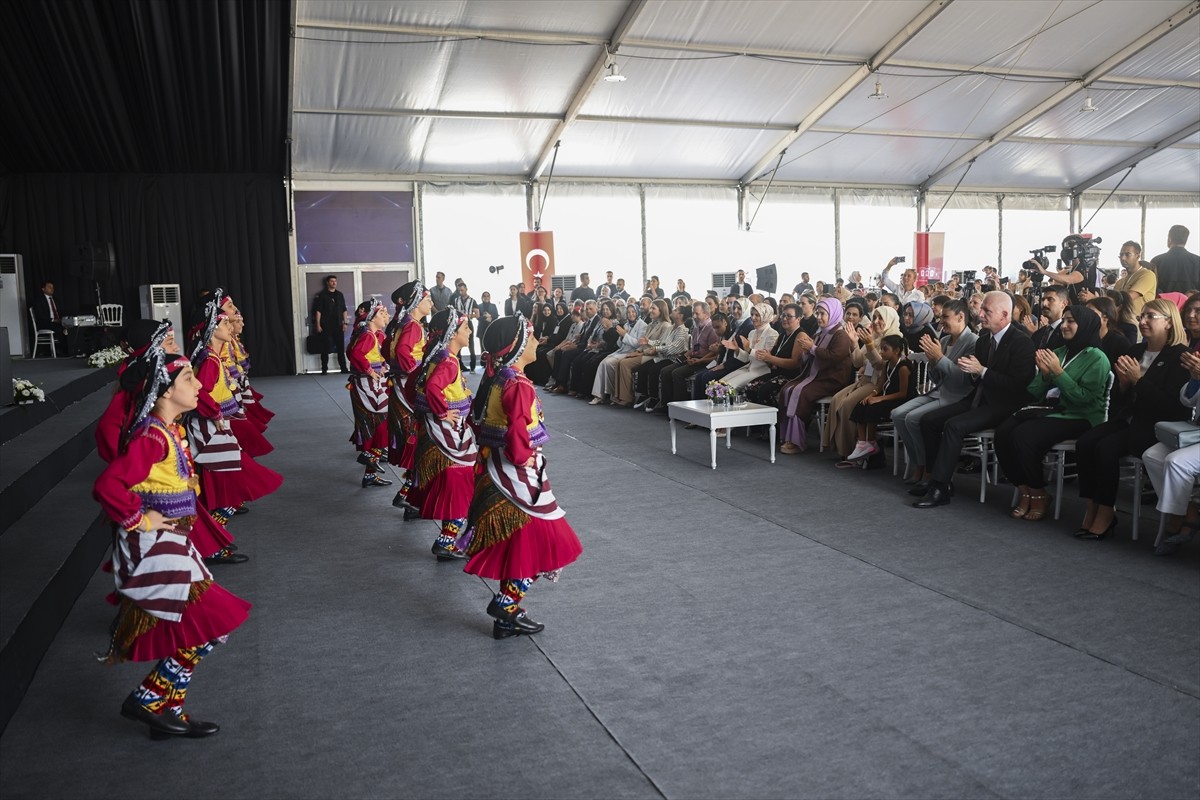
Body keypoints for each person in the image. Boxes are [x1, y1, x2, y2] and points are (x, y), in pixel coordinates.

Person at [92, 347, 251, 739]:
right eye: (188, 379)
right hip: (154, 548)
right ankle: (149, 698)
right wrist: (140, 517)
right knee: (211, 627)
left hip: (172, 543)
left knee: (200, 630)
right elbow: (108, 485)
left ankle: (169, 709)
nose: (199, 384)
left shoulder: (167, 432)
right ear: (163, 391)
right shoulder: (153, 439)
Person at [460, 316, 583, 639]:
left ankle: (506, 617)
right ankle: (507, 603)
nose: (535, 341)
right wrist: (526, 457)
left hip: (498, 471)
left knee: (519, 544)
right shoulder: (518, 385)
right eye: (529, 337)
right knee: (548, 539)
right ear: (515, 347)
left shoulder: (499, 379)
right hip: (518, 477)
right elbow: (517, 439)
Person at [1073, 299, 1190, 539]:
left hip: (1156, 426)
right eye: (1141, 316)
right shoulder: (1135, 351)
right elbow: (1120, 400)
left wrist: (1138, 381)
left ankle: (1106, 512)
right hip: (1128, 419)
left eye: (1150, 317)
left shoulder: (1179, 356)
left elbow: (1174, 407)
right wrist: (1124, 386)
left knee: (1105, 449)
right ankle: (1091, 506)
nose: (1143, 321)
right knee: (1084, 442)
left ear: (1168, 322)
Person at [913, 292, 1036, 509]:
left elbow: (1018, 385)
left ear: (1005, 315)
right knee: (928, 421)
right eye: (981, 310)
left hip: (1004, 404)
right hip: (979, 397)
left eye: (987, 311)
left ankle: (940, 487)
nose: (980, 315)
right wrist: (968, 370)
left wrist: (982, 371)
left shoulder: (1022, 342)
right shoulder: (984, 341)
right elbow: (973, 379)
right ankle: (935, 478)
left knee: (953, 426)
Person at [995, 306, 1111, 521]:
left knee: (1024, 436)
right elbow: (1034, 392)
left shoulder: (1097, 357)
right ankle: (1025, 490)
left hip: (1080, 416)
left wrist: (1058, 373)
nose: (1065, 326)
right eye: (1064, 320)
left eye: (1071, 321)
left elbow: (1086, 400)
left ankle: (1039, 492)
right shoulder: (1059, 352)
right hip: (1050, 410)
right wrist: (1046, 375)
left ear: (1085, 326)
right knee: (1003, 433)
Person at [187, 291, 283, 522]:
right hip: (211, 426)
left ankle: (217, 528)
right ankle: (217, 529)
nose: (230, 327)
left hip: (215, 422)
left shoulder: (212, 357)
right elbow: (202, 392)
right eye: (224, 323)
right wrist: (215, 413)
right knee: (232, 475)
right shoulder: (210, 359)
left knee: (232, 474)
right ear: (211, 329)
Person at [410, 308, 477, 561]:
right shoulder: (448, 361)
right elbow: (432, 387)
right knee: (461, 484)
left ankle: (448, 539)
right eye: (465, 328)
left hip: (446, 431)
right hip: (448, 434)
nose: (469, 332)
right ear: (452, 333)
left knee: (460, 485)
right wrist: (442, 413)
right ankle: (446, 540)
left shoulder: (441, 357)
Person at [893, 299, 978, 490]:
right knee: (897, 415)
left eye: (945, 317)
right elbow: (936, 376)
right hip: (938, 390)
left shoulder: (973, 342)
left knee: (913, 419)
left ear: (960, 317)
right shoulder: (945, 339)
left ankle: (926, 468)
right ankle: (919, 462)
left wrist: (939, 358)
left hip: (957, 395)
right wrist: (933, 362)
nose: (941, 322)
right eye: (940, 317)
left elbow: (962, 380)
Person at [777, 297, 853, 453]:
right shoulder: (820, 332)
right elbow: (812, 356)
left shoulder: (841, 335)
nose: (818, 317)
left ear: (833, 314)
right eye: (817, 313)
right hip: (818, 376)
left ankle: (797, 441)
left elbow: (834, 357)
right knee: (787, 389)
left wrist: (812, 348)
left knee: (801, 393)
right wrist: (806, 352)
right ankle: (787, 435)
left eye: (822, 314)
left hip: (832, 379)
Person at [1143, 351, 1200, 555]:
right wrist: (1195, 379)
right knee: (1152, 456)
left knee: (1176, 462)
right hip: (1196, 430)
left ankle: (1180, 518)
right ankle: (1188, 508)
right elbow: (1187, 401)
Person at [384, 281, 432, 514]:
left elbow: (386, 350)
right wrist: (417, 375)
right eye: (427, 298)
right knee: (419, 437)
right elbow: (403, 353)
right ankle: (406, 492)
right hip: (408, 387)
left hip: (400, 385)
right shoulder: (413, 326)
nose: (430, 302)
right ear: (416, 302)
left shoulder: (402, 324)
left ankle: (412, 500)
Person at [826, 301, 895, 458]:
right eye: (875, 317)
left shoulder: (894, 339)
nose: (876, 321)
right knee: (836, 400)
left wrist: (870, 345)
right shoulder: (875, 337)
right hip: (864, 381)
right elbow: (858, 362)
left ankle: (849, 449)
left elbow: (880, 366)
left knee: (846, 405)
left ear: (889, 320)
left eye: (880, 318)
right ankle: (837, 446)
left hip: (877, 383)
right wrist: (854, 343)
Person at [842, 335, 913, 465]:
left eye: (885, 349)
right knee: (862, 404)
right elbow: (880, 385)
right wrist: (872, 395)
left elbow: (903, 394)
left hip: (899, 401)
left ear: (896, 351)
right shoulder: (887, 365)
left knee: (873, 407)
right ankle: (863, 443)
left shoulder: (903, 367)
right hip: (886, 397)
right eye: (881, 349)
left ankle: (871, 441)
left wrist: (879, 399)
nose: (881, 352)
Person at [346, 299, 393, 488]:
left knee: (377, 423)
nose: (385, 317)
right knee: (385, 417)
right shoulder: (368, 335)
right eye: (382, 314)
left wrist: (380, 366)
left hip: (370, 383)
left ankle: (370, 471)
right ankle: (369, 454)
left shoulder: (373, 334)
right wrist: (370, 370)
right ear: (373, 317)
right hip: (367, 384)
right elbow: (356, 354)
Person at [657, 300, 718, 408]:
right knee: (665, 371)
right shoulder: (696, 327)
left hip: (704, 360)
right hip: (693, 357)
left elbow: (713, 351)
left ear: (706, 314)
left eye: (697, 314)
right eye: (693, 313)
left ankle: (681, 407)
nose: (694, 316)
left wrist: (699, 360)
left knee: (677, 373)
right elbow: (694, 348)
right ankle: (666, 406)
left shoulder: (711, 329)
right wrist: (688, 356)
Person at [612, 299, 672, 407]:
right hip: (645, 353)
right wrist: (637, 351)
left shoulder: (666, 325)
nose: (650, 310)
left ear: (661, 310)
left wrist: (640, 353)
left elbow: (660, 346)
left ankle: (627, 398)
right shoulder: (650, 324)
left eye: (653, 308)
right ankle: (619, 395)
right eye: (651, 308)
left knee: (625, 364)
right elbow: (643, 343)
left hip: (655, 355)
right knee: (619, 362)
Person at [633, 306, 691, 412]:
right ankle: (645, 394)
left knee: (654, 370)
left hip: (673, 359)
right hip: (663, 357)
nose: (672, 311)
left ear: (680, 316)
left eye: (675, 310)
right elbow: (661, 342)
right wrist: (649, 342)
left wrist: (657, 349)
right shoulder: (670, 328)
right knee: (643, 368)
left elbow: (674, 348)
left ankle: (655, 397)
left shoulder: (683, 331)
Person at [591, 302, 646, 404]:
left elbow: (638, 345)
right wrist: (621, 337)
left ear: (637, 312)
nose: (631, 314)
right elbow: (620, 344)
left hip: (632, 353)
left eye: (633, 312)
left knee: (608, 364)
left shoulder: (642, 325)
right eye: (628, 312)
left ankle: (614, 395)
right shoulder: (626, 324)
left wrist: (625, 335)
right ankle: (599, 395)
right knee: (603, 363)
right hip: (621, 351)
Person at [310, 275, 348, 374]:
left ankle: (343, 368)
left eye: (335, 281)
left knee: (340, 347)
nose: (334, 283)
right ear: (327, 283)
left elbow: (344, 309)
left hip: (339, 325)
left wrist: (345, 323)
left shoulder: (340, 295)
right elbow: (318, 311)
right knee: (325, 347)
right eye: (332, 281)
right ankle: (324, 369)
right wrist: (318, 324)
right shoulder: (322, 295)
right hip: (326, 325)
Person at [1111, 241, 1157, 318]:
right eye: (1121, 255)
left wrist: (1096, 299)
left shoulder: (1147, 275)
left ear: (1137, 256)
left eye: (1127, 254)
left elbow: (1127, 298)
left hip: (1139, 325)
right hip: (1120, 323)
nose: (1123, 258)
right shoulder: (1120, 282)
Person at [1150, 225, 1200, 295]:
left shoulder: (1157, 261)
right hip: (1190, 303)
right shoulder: (1197, 261)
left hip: (1164, 304)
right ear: (1185, 240)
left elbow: (1152, 288)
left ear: (1169, 239)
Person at [1085, 295, 1133, 367]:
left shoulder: (1120, 344)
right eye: (1085, 313)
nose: (1086, 317)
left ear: (1105, 317)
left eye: (1091, 313)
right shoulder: (1084, 338)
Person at [30, 279, 67, 354]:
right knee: (59, 329)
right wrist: (53, 320)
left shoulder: (56, 300)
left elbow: (61, 312)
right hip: (45, 322)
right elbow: (40, 316)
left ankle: (71, 348)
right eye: (49, 287)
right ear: (43, 289)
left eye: (52, 287)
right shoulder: (39, 300)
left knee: (70, 327)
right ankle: (65, 350)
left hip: (58, 321)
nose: (52, 289)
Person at [450, 281, 479, 372]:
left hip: (468, 323)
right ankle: (459, 365)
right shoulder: (456, 300)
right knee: (458, 343)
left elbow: (477, 314)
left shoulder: (472, 300)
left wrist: (469, 315)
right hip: (459, 324)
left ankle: (473, 366)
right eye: (459, 291)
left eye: (462, 290)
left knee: (471, 344)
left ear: (466, 289)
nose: (461, 292)